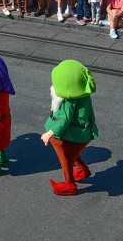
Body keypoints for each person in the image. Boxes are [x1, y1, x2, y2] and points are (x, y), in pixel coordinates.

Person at [41, 60, 98, 196]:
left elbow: (63, 119)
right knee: (72, 153)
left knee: (66, 158)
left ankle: (70, 184)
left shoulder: (69, 100)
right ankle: (82, 168)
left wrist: (50, 132)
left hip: (70, 134)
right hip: (85, 132)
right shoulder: (83, 93)